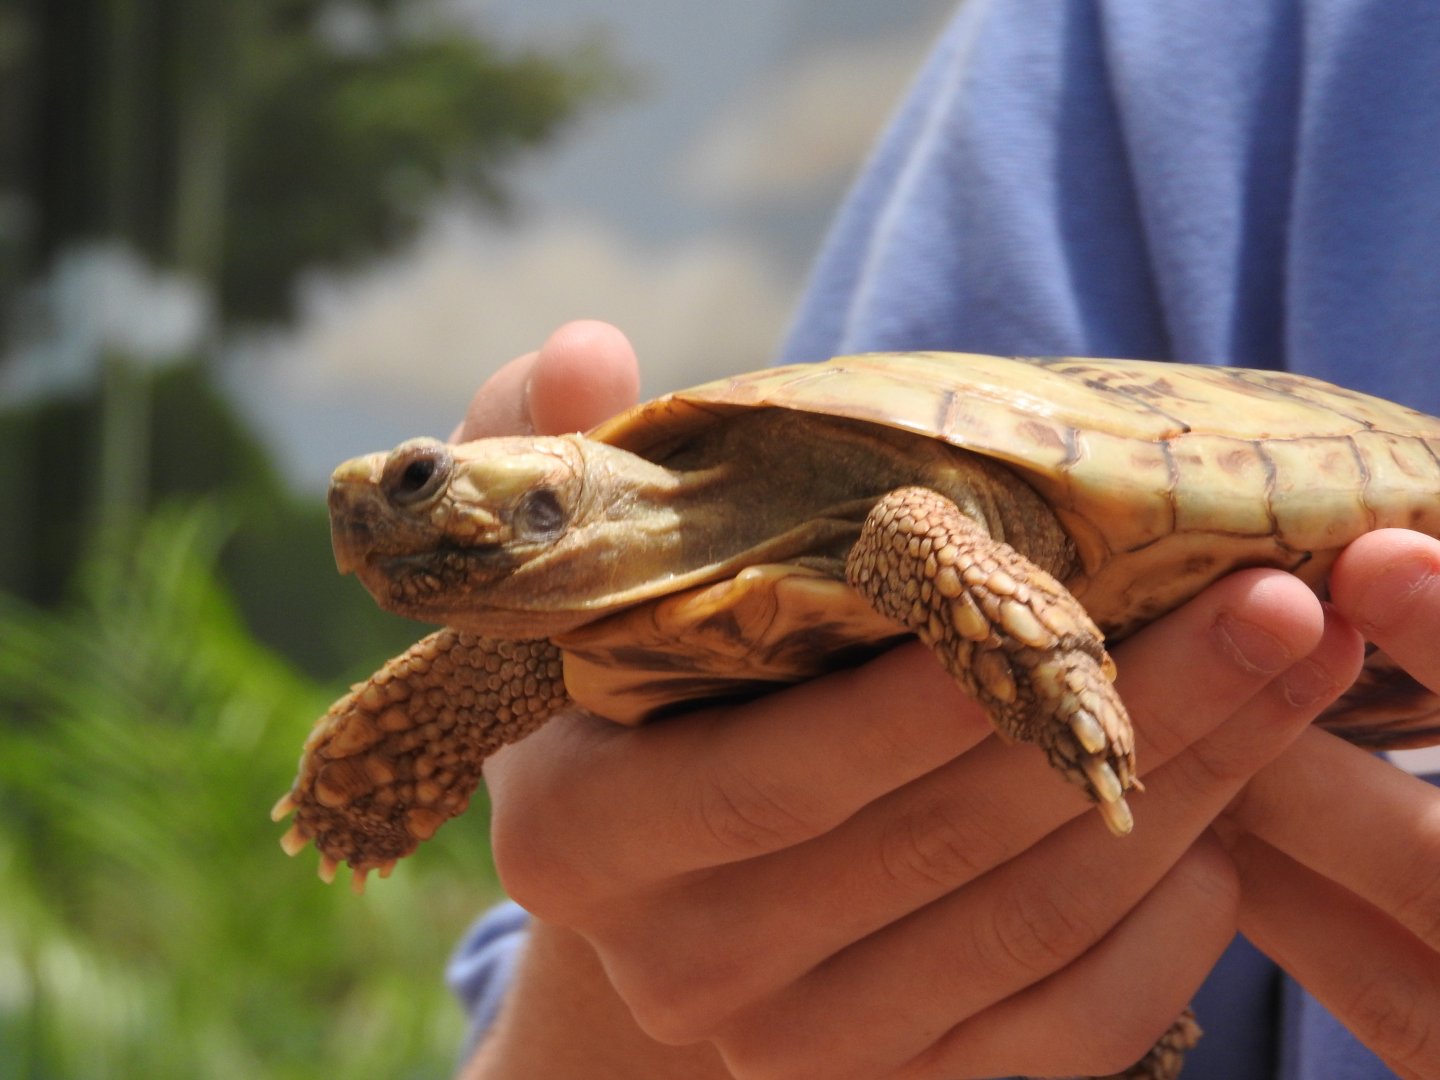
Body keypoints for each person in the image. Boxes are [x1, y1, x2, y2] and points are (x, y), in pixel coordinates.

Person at [444, 2, 1440, 1077]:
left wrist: (1048, 669)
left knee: (916, 528)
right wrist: (647, 970)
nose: (370, 511)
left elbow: (916, 518)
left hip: (1246, 497)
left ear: (557, 495)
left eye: (418, 483)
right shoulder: (1150, 44)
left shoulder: (903, 520)